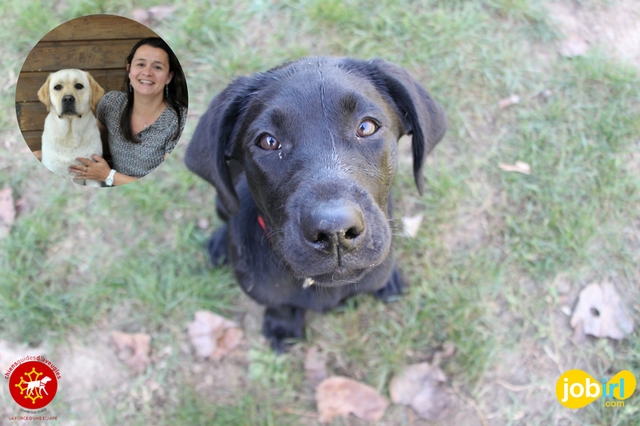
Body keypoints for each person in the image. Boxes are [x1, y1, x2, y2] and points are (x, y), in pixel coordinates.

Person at [70, 37, 188, 186]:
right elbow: (90, 144)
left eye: (157, 67)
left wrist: (108, 176)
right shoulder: (111, 103)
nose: (147, 72)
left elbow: (167, 187)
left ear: (168, 77)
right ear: (129, 69)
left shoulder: (179, 120)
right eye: (140, 64)